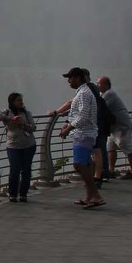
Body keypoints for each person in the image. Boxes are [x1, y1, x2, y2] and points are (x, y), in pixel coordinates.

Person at [51, 67, 104, 208]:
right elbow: (77, 113)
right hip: (83, 134)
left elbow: (83, 115)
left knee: (79, 165)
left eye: (70, 78)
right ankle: (89, 197)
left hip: (84, 134)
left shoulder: (84, 94)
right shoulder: (82, 92)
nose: (68, 81)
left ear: (77, 78)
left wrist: (68, 128)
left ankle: (96, 196)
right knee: (86, 164)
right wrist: (68, 123)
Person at [0, 93, 37, 202]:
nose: (21, 102)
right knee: (15, 169)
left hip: (29, 145)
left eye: (21, 100)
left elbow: (33, 128)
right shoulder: (7, 112)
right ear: (12, 102)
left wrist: (23, 124)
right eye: (18, 100)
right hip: (13, 146)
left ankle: (23, 194)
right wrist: (12, 119)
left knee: (26, 170)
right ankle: (12, 194)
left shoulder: (27, 113)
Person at [98, 76, 132, 179]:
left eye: (100, 84)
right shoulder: (103, 94)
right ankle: (111, 170)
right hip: (114, 128)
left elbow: (100, 107)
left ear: (106, 85)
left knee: (126, 146)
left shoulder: (109, 94)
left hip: (122, 126)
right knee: (111, 148)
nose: (98, 85)